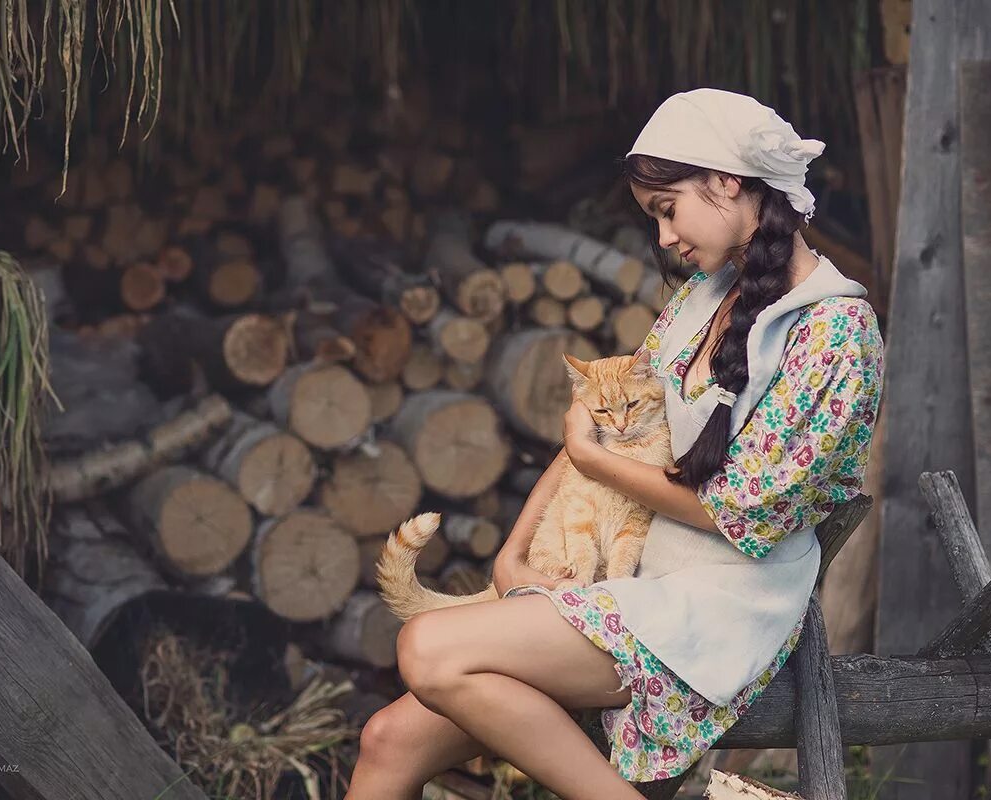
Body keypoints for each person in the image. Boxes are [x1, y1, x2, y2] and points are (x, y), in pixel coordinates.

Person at [344, 88, 885, 800]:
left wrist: (597, 459)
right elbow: (590, 441)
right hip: (628, 577)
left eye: (667, 209)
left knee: (427, 649)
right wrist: (513, 553)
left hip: (714, 605)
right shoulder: (702, 300)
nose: (664, 236)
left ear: (727, 182)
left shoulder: (837, 334)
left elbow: (740, 518)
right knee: (386, 740)